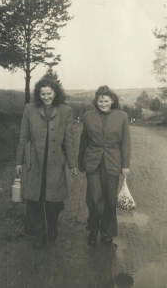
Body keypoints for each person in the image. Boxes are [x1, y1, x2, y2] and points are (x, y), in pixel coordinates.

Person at [16, 78, 78, 249]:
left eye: (49, 93)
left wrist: (73, 164)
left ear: (55, 93)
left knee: (54, 202)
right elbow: (23, 137)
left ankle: (52, 225)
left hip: (55, 162)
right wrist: (19, 161)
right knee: (34, 199)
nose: (46, 97)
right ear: (38, 94)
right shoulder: (29, 109)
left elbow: (69, 140)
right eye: (42, 94)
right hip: (34, 161)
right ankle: (38, 233)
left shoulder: (66, 111)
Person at [78, 85, 131, 246]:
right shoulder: (88, 116)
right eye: (100, 101)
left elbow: (125, 143)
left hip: (113, 163)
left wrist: (125, 165)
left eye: (106, 101)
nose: (103, 104)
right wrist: (80, 162)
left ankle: (107, 232)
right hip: (93, 162)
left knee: (109, 200)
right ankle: (93, 228)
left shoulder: (122, 116)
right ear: (96, 101)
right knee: (95, 199)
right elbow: (83, 141)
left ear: (112, 100)